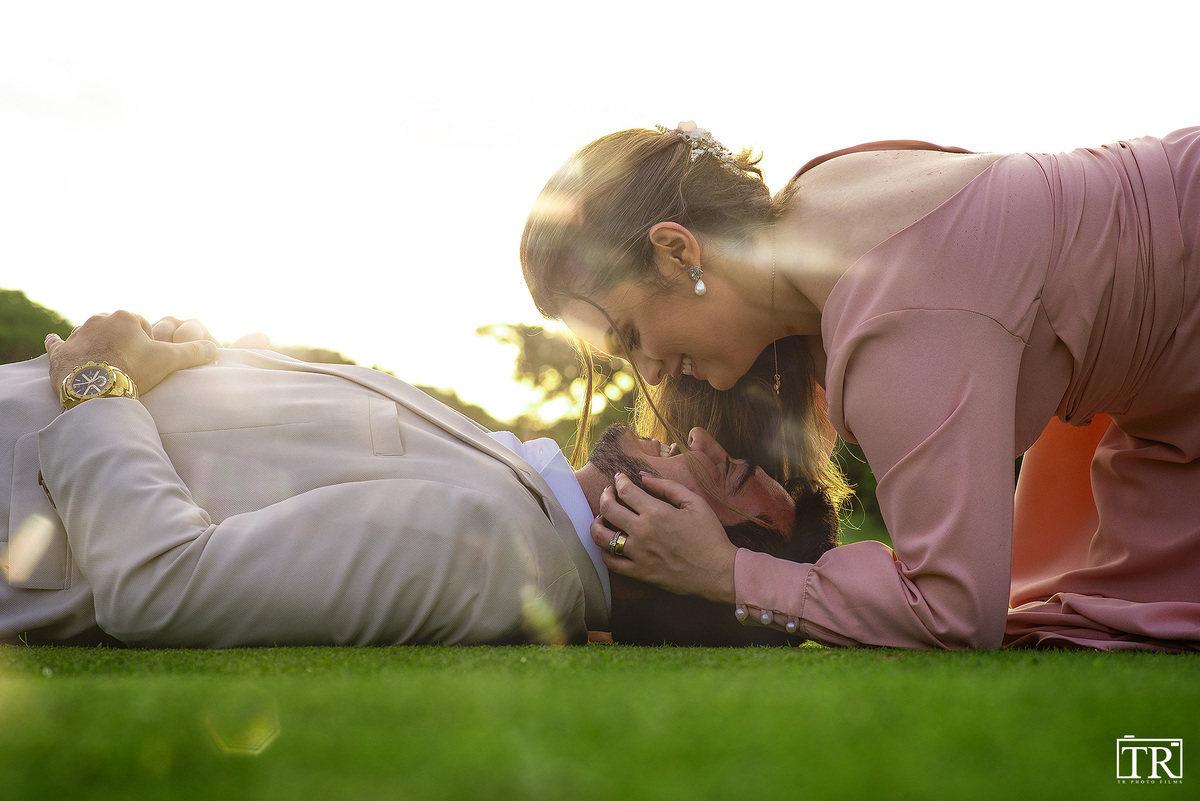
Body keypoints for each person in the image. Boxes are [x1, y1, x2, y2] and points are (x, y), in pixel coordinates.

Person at [521, 122, 1200, 652]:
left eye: (632, 336)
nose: (650, 372)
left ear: (678, 251)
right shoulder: (816, 208)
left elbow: (955, 612)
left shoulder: (896, 313)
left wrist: (726, 573)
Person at [0, 311, 834, 648]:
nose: (697, 438)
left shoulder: (494, 553)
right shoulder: (516, 497)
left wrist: (97, 384)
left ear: (680, 545)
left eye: (725, 473)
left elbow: (162, 585)